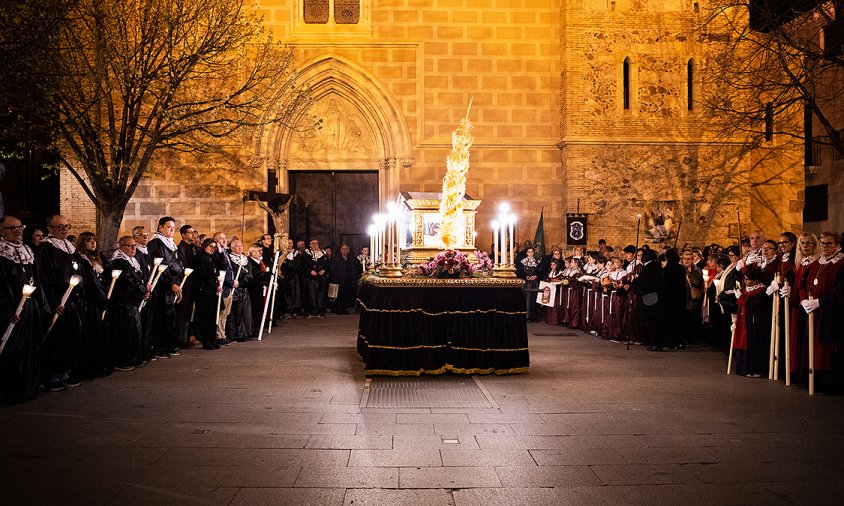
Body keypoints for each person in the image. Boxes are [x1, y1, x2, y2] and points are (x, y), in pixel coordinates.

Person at [0, 216, 47, 403]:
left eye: (20, 227)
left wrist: (41, 306)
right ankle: (10, 390)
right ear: (2, 231)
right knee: (13, 349)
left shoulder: (27, 250)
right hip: (12, 310)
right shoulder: (2, 254)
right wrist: (6, 311)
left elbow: (36, 279)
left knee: (31, 347)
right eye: (12, 228)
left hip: (30, 308)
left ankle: (28, 386)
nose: (17, 231)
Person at [37, 214, 85, 391]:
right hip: (58, 302)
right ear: (49, 229)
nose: (64, 230)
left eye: (67, 226)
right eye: (60, 227)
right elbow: (44, 278)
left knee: (71, 337)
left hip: (72, 300)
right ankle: (53, 376)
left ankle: (67, 371)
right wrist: (54, 300)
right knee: (57, 339)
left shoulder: (70, 248)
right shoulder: (46, 249)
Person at [796, 231, 844, 392]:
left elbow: (840, 290)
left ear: (838, 246)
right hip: (813, 312)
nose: (824, 246)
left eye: (828, 244)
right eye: (822, 243)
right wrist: (803, 299)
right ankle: (811, 377)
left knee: (826, 347)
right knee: (811, 345)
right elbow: (803, 284)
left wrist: (820, 302)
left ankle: (828, 382)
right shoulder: (817, 263)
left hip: (831, 313)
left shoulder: (841, 264)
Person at [106, 236, 149, 371]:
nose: (133, 248)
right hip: (122, 303)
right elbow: (128, 281)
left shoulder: (131, 261)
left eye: (134, 245)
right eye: (129, 246)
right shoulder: (119, 262)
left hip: (132, 302)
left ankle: (134, 357)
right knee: (125, 332)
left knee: (134, 332)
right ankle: (123, 360)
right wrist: (143, 290)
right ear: (121, 247)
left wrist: (144, 290)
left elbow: (138, 279)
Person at [146, 217, 184, 358]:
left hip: (172, 283)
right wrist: (171, 283)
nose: (172, 230)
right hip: (162, 286)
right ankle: (159, 347)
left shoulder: (171, 243)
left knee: (170, 316)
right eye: (169, 227)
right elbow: (161, 266)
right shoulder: (156, 243)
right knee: (161, 317)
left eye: (173, 227)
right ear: (160, 227)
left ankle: (168, 344)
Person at [74, 231, 109, 377]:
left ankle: (100, 364)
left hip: (100, 297)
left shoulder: (98, 258)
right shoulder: (82, 260)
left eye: (94, 240)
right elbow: (90, 283)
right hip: (91, 302)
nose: (93, 243)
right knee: (92, 334)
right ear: (83, 243)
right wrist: (102, 298)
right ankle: (92, 367)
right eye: (89, 240)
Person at [733, 266, 771, 378]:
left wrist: (741, 297)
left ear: (756, 281)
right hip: (745, 321)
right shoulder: (747, 290)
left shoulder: (762, 291)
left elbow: (753, 303)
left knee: (753, 344)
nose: (745, 281)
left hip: (755, 322)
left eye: (747, 279)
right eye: (744, 279)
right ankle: (744, 368)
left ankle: (755, 369)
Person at [634, 249, 665, 351]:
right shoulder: (656, 266)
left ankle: (656, 344)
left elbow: (645, 283)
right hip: (655, 296)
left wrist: (636, 280)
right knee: (654, 322)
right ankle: (656, 343)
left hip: (650, 297)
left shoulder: (649, 268)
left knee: (652, 322)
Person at [194, 238, 222, 350]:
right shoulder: (200, 258)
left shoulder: (212, 258)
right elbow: (203, 274)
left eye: (214, 247)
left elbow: (219, 267)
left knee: (212, 317)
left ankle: (212, 338)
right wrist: (215, 286)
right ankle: (206, 340)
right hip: (204, 291)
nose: (212, 249)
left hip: (212, 291)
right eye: (210, 246)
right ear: (205, 246)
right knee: (205, 317)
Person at [176, 224, 199, 348]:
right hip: (186, 284)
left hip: (193, 284)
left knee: (189, 313)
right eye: (189, 232)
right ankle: (180, 339)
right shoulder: (181, 248)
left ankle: (186, 337)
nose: (192, 234)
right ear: (184, 235)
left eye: (193, 232)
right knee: (182, 312)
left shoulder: (193, 248)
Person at [225, 239, 253, 342]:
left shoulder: (245, 259)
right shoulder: (230, 259)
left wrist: (246, 276)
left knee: (245, 312)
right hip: (235, 290)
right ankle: (235, 334)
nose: (240, 247)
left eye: (241, 245)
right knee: (235, 313)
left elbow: (250, 273)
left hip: (244, 289)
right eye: (237, 246)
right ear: (232, 248)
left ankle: (245, 333)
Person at [212, 231, 235, 345]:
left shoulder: (225, 251)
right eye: (221, 239)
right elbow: (222, 270)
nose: (224, 241)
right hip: (224, 286)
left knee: (226, 314)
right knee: (221, 313)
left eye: (225, 238)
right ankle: (218, 335)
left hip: (229, 288)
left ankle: (223, 334)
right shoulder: (216, 253)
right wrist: (230, 283)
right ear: (216, 241)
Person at [662, 248, 687, 350]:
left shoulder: (667, 269)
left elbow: (665, 284)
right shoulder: (681, 268)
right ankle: (679, 341)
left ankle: (671, 341)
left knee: (670, 321)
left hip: (670, 297)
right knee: (679, 320)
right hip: (680, 297)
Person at [246, 244, 271, 336]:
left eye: (259, 251)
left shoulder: (260, 262)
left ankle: (258, 327)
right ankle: (253, 329)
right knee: (255, 309)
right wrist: (265, 273)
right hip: (254, 289)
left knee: (260, 308)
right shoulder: (250, 262)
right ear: (251, 253)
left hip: (260, 288)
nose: (258, 253)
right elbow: (254, 275)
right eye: (255, 251)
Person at [329, 244, 357, 314]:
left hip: (348, 280)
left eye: (346, 248)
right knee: (339, 296)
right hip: (339, 280)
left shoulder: (351, 259)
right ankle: (338, 309)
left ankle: (344, 309)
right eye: (343, 248)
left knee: (346, 295)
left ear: (348, 250)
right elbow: (333, 270)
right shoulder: (336, 259)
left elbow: (354, 269)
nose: (344, 250)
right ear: (340, 250)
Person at [305, 239, 328, 318]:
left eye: (316, 243)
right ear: (310, 245)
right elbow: (303, 265)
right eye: (313, 243)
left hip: (321, 277)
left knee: (321, 294)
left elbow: (328, 264)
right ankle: (311, 311)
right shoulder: (306, 253)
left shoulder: (323, 253)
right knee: (311, 294)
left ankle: (320, 311)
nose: (315, 244)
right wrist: (310, 271)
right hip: (311, 277)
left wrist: (324, 270)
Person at [520, 247, 540, 322]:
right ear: (526, 253)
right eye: (529, 252)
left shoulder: (537, 262)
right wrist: (526, 276)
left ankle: (534, 316)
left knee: (534, 298)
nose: (530, 253)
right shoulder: (523, 262)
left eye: (532, 252)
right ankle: (526, 316)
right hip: (526, 282)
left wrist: (536, 276)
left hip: (534, 282)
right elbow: (520, 272)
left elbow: (540, 272)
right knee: (526, 298)